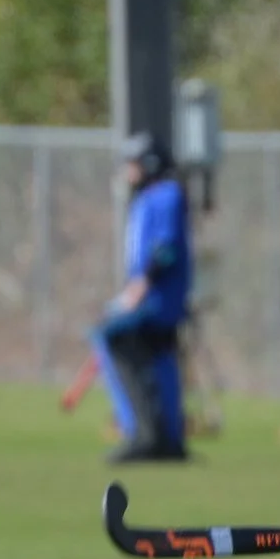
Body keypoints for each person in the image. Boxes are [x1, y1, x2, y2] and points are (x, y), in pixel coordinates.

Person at [92, 131, 194, 463]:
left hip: (157, 300)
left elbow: (164, 250)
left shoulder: (165, 195)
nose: (128, 171)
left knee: (113, 339)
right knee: (156, 355)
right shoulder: (149, 198)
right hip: (153, 298)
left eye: (133, 164)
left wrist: (140, 287)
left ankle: (145, 433)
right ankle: (166, 438)